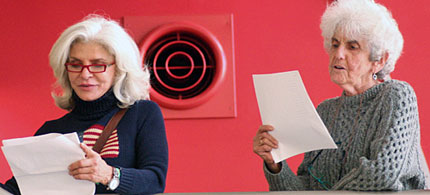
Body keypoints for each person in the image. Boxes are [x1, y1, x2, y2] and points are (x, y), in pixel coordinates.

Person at [253, 0, 426, 191]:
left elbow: (382, 173)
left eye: (352, 47)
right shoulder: (326, 111)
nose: (339, 54)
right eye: (335, 45)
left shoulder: (396, 96)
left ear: (379, 60)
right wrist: (274, 164)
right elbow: (307, 188)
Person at [0, 14, 168, 194]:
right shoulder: (50, 131)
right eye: (76, 64)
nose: (85, 74)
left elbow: (155, 180)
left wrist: (109, 175)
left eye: (98, 65)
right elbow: (18, 189)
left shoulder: (141, 113)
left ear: (119, 69)